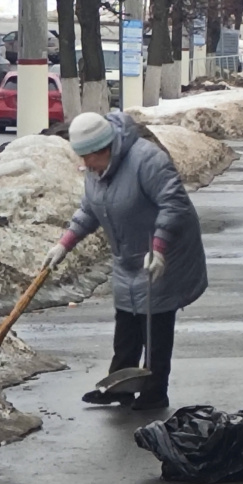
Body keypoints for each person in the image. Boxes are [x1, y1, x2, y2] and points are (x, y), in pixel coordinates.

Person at [42, 112, 208, 411]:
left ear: (104, 149)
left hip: (164, 251)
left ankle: (155, 392)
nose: (85, 166)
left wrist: (158, 248)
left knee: (155, 323)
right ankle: (120, 386)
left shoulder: (147, 160)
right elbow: (89, 211)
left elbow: (174, 204)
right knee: (127, 323)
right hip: (127, 255)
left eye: (87, 158)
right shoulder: (97, 173)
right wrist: (63, 244)